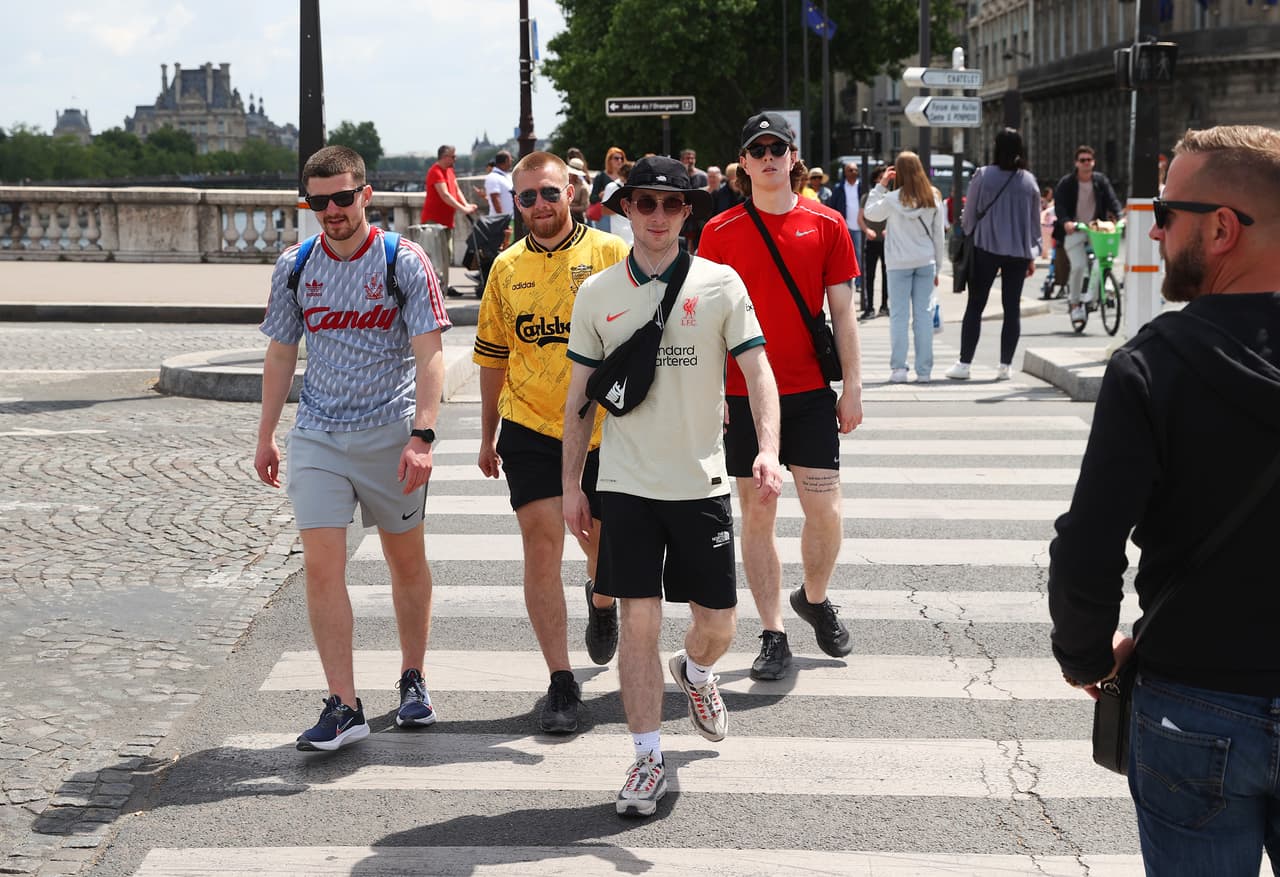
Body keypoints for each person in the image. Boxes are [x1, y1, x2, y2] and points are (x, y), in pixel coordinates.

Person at [1048, 124, 1280, 876]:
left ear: (1221, 228)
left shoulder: (1153, 365)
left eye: (1168, 211)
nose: (1152, 226)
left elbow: (1089, 543)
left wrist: (1086, 653)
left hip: (1194, 700)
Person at [562, 155, 784, 818]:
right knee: (639, 619)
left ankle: (695, 670)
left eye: (671, 204)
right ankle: (646, 756)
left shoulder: (720, 284)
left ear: (689, 211)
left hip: (702, 480)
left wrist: (768, 450)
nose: (658, 215)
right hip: (627, 485)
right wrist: (573, 482)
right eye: (645, 203)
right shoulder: (598, 292)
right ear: (626, 208)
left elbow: (759, 372)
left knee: (718, 623)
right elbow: (579, 398)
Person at [255, 145, 449, 751]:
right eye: (319, 201)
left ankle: (412, 676)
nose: (332, 210)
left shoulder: (403, 261)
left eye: (343, 197)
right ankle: (343, 703)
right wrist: (265, 433)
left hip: (390, 433)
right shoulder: (293, 266)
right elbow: (282, 352)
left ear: (366, 194)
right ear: (307, 203)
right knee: (321, 565)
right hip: (317, 434)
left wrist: (423, 434)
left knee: (405, 561)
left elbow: (429, 352)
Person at [698, 111, 863, 681]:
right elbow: (704, 323)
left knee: (827, 514)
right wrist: (711, 391)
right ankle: (773, 632)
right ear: (743, 163)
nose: (768, 156)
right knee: (757, 514)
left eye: (778, 147)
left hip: (811, 393)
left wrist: (854, 386)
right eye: (757, 149)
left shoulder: (827, 224)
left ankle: (813, 597)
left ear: (794, 157)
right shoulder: (718, 233)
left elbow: (843, 313)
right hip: (744, 397)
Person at [473, 150, 629, 734]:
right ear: (516, 203)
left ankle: (602, 597)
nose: (539, 205)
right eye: (527, 197)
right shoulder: (506, 267)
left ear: (574, 194)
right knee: (541, 543)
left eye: (549, 193)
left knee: (598, 539)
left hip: (604, 429)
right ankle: (560, 682)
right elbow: (491, 357)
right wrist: (488, 435)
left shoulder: (612, 255)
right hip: (531, 427)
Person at [945, 128, 1041, 382]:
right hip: (1018, 253)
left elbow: (968, 215)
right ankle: (1005, 366)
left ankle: (964, 364)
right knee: (1012, 309)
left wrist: (971, 233)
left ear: (996, 148)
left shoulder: (983, 176)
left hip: (985, 248)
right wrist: (1031, 254)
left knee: (975, 305)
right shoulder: (1028, 181)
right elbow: (1034, 223)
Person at [864, 150, 946, 384]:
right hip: (925, 261)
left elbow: (871, 212)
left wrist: (881, 185)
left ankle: (899, 369)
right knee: (923, 317)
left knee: (899, 317)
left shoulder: (892, 198)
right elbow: (938, 236)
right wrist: (937, 268)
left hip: (898, 264)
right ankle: (924, 371)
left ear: (897, 172)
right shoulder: (933, 197)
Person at [1052, 144, 1123, 328]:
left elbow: (1112, 201)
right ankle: (1075, 304)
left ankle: (1100, 288)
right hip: (1074, 229)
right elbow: (1059, 205)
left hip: (1095, 229)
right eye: (1082, 160)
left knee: (1106, 258)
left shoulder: (1100, 181)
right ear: (1076, 163)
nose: (1086, 164)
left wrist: (1120, 218)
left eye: (1089, 160)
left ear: (1094, 162)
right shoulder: (1067, 183)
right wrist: (1066, 221)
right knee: (1078, 266)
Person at [420, 144, 479, 297]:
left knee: (447, 254)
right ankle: (437, 285)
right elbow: (445, 195)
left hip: (446, 220)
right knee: (438, 255)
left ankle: (445, 284)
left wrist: (466, 204)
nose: (455, 159)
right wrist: (463, 209)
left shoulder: (449, 171)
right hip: (434, 221)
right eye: (453, 156)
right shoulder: (435, 172)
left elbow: (456, 190)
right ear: (444, 157)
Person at [828, 162, 865, 311]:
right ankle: (847, 282)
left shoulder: (862, 186)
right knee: (844, 257)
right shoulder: (839, 188)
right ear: (845, 172)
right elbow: (834, 206)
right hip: (844, 226)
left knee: (859, 255)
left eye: (855, 170)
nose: (853, 172)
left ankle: (859, 283)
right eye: (850, 170)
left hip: (859, 227)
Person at [857, 166, 890, 320]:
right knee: (869, 275)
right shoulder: (868, 196)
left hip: (886, 241)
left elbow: (894, 217)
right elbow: (860, 218)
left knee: (887, 275)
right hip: (871, 241)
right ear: (877, 179)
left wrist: (889, 230)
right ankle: (869, 307)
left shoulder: (890, 196)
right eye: (883, 177)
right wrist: (867, 230)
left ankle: (884, 306)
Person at [590, 146, 628, 232]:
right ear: (609, 160)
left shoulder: (626, 177)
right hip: (605, 215)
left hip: (622, 216)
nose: (620, 161)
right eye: (616, 158)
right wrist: (601, 195)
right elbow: (592, 198)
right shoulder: (601, 176)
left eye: (622, 158)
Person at [484, 150, 514, 216]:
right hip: (503, 221)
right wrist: (503, 221)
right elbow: (495, 200)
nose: (512, 161)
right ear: (506, 161)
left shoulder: (507, 176)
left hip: (511, 219)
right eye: (510, 159)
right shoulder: (493, 177)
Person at [567, 157, 591, 225]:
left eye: (573, 173)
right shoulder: (562, 183)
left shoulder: (583, 187)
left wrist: (570, 208)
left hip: (577, 219)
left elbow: (585, 206)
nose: (570, 174)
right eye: (570, 172)